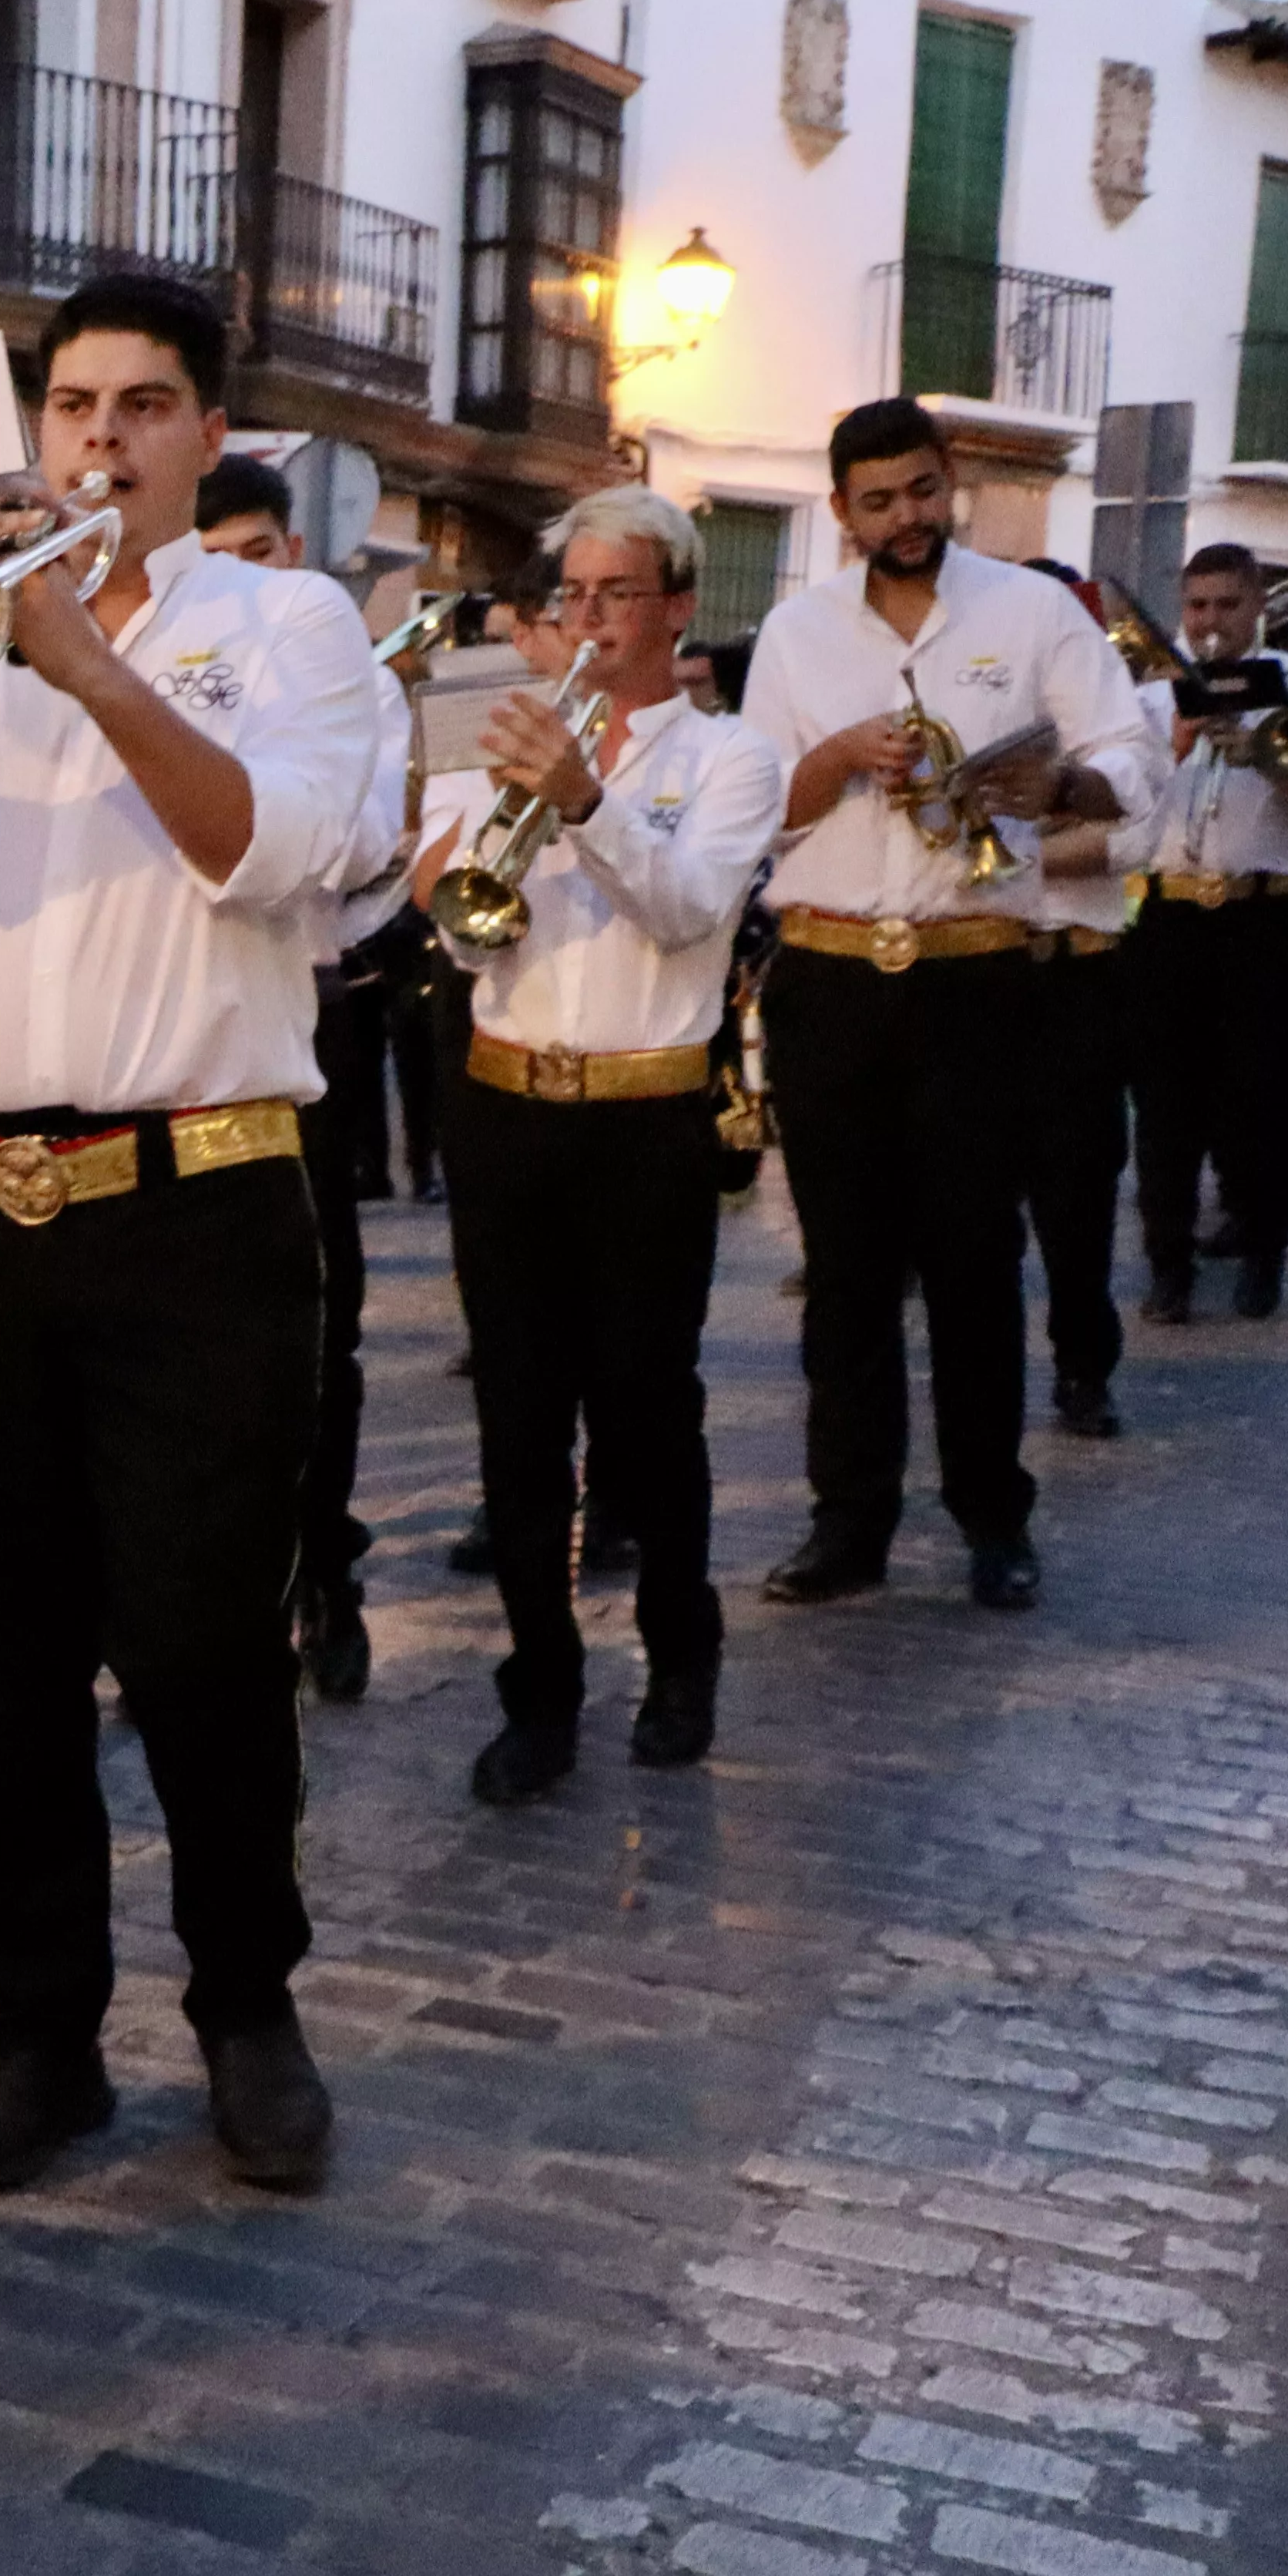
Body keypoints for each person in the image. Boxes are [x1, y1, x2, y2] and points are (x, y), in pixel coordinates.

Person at [0, 272, 383, 2198]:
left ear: (209, 437)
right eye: (74, 408)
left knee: (206, 1641)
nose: (101, 442)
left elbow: (274, 848)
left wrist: (92, 667)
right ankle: (37, 2033)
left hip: (196, 1208)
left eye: (144, 409)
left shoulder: (285, 623)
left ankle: (247, 2006)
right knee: (1, 1657)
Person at [740, 399, 1151, 1614]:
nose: (906, 519)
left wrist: (1066, 780)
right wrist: (834, 761)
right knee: (848, 1270)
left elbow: (1132, 755)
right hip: (828, 977)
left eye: (922, 492)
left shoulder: (1031, 612)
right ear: (841, 513)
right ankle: (847, 1523)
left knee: (976, 1262)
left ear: (949, 478)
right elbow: (758, 805)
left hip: (978, 977)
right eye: (878, 503)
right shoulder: (796, 632)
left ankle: (993, 1519)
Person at [411, 492, 781, 1802]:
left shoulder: (732, 759)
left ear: (678, 607)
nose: (589, 620)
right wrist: (456, 875)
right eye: (571, 595)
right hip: (508, 1101)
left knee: (644, 1413)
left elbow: (688, 912)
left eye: (616, 595)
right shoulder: (497, 738)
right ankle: (541, 1691)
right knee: (517, 1423)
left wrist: (582, 801)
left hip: (647, 1114)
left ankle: (682, 1654)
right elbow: (466, 931)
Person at [190, 454, 411, 1704]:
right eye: (212, 559)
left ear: (294, 556)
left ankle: (327, 1573)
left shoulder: (344, 676)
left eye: (260, 556)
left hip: (302, 1017)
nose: (239, 582)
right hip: (162, 1025)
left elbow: (362, 853)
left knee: (319, 1331)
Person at [1136, 542, 1288, 1324]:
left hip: (1273, 913)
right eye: (1198, 606)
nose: (1210, 621)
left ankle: (1263, 1255)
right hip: (1171, 911)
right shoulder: (1156, 695)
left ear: (1259, 605)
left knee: (1268, 1097)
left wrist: (1264, 752)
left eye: (1228, 604)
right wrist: (1177, 747)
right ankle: (1169, 1265)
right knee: (1166, 1101)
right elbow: (1124, 809)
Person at [1015, 559, 1159, 1436]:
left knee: (1078, 1190)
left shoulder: (1113, 715)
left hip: (1076, 967)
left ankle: (1082, 1368)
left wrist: (1021, 844)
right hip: (982, 969)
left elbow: (1132, 837)